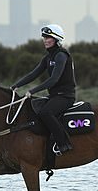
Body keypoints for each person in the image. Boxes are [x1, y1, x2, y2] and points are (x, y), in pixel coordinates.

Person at [11, 24, 76, 155]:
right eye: (44, 37)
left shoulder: (61, 56)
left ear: (56, 39)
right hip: (54, 96)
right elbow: (32, 74)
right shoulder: (48, 58)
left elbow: (54, 79)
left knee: (45, 113)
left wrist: (32, 91)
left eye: (48, 37)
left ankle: (63, 144)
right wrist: (14, 86)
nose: (45, 40)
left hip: (65, 97)